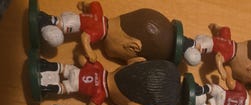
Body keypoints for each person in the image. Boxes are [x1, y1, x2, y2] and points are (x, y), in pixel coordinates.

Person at [36, 55, 180, 105]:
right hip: (73, 85)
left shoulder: (99, 68)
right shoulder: (100, 94)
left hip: (74, 71)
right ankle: (46, 88)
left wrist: (85, 56)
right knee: (64, 87)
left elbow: (82, 59)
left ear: (135, 61)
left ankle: (46, 66)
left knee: (65, 69)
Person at [38, 4, 189, 65]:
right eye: (127, 58)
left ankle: (48, 21)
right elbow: (85, 37)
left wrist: (85, 5)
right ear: (133, 46)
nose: (124, 61)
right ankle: (45, 21)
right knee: (61, 29)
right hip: (70, 23)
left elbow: (95, 4)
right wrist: (90, 53)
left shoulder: (101, 17)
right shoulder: (100, 30)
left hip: (72, 17)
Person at [184, 24, 251, 87]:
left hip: (203, 39)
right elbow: (218, 57)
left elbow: (225, 29)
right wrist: (222, 72)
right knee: (194, 58)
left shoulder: (230, 43)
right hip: (202, 45)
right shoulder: (230, 52)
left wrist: (214, 27)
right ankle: (187, 44)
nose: (243, 84)